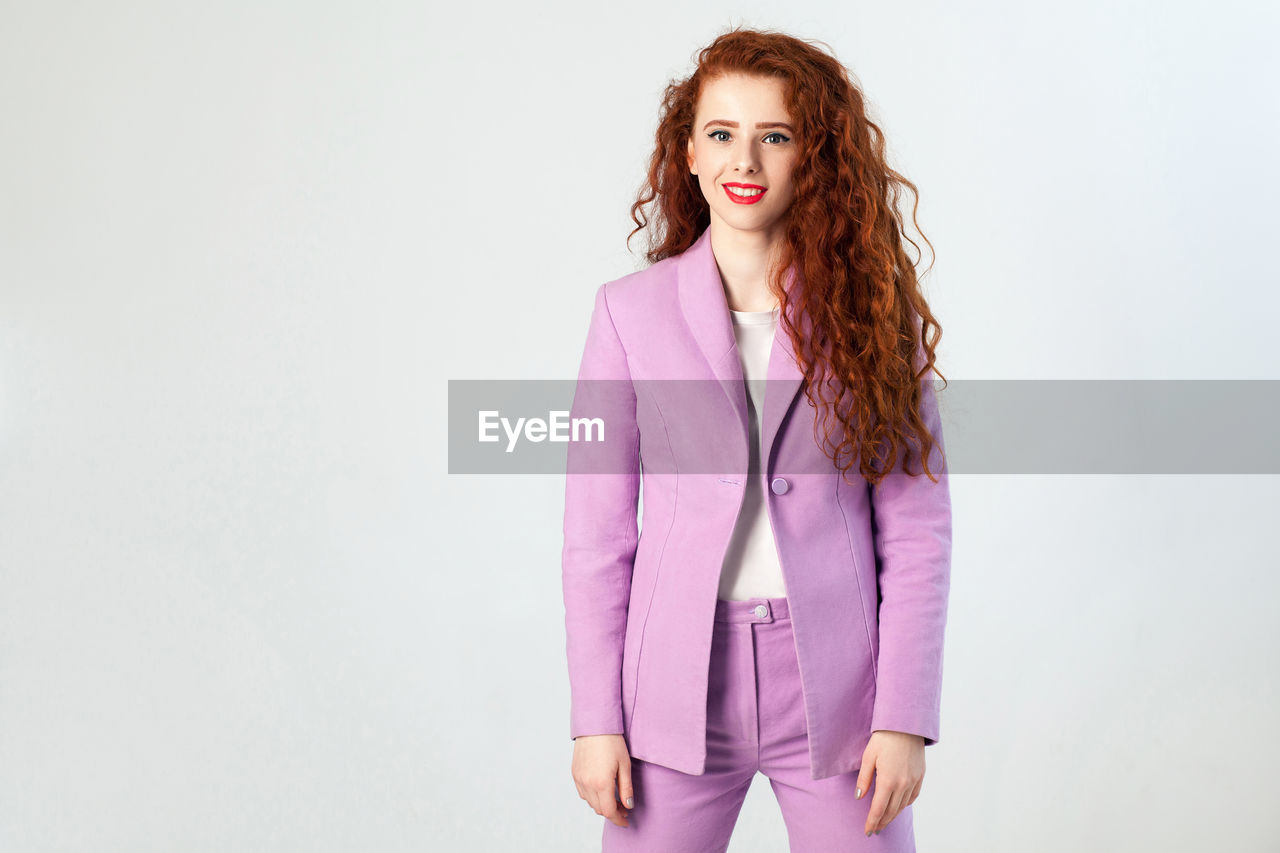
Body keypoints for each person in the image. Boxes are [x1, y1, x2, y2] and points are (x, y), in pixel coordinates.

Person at [562, 26, 951, 853]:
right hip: (672, 691)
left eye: (774, 135)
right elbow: (596, 536)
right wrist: (596, 719)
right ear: (691, 154)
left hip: (843, 693)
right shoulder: (626, 315)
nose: (746, 160)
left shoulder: (878, 321)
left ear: (815, 156)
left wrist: (905, 716)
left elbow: (918, 534)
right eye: (722, 134)